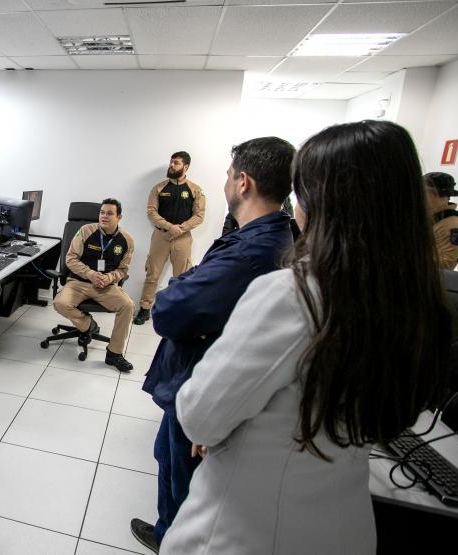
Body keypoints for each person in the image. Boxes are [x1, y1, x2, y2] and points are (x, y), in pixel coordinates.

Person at [160, 120, 452, 554]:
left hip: (251, 528)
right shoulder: (416, 299)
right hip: (341, 524)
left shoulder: (295, 294)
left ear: (323, 199)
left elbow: (201, 417)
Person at [131, 137, 296, 553]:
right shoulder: (267, 237)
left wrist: (181, 288)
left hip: (201, 379)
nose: (224, 180)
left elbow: (168, 311)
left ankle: (175, 541)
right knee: (167, 460)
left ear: (244, 182)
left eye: (228, 173)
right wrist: (187, 289)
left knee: (185, 477)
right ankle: (166, 530)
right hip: (193, 376)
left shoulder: (250, 251)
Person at [53, 198, 136, 372]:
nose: (104, 216)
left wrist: (110, 277)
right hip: (79, 282)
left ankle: (114, 353)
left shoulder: (126, 240)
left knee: (128, 305)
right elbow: (70, 259)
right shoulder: (85, 231)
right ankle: (88, 325)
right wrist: (90, 274)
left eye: (109, 213)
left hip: (106, 286)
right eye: (102, 212)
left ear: (119, 217)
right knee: (60, 303)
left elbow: (123, 270)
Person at [134, 151, 205, 325]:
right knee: (152, 274)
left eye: (176, 163)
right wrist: (169, 227)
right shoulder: (158, 188)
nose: (171, 165)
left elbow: (199, 216)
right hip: (160, 236)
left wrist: (180, 228)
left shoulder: (195, 190)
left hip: (183, 238)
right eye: (171, 162)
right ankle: (144, 309)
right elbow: (151, 212)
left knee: (181, 277)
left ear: (185, 167)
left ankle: (177, 310)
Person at [424, 171, 458, 269]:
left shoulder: (452, 226)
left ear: (440, 195)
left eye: (424, 192)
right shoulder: (433, 219)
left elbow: (445, 266)